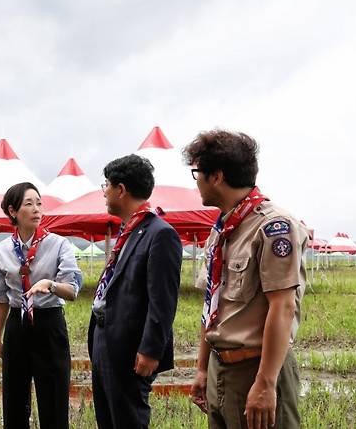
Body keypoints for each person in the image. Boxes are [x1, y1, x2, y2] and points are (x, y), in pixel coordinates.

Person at [184, 130, 308, 429]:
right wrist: (202, 368)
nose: (196, 180)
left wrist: (266, 382)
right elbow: (211, 305)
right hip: (220, 367)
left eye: (197, 172)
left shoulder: (274, 227)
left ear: (217, 176)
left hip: (257, 368)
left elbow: (283, 307)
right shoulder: (222, 229)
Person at [89, 154, 182, 429]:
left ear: (121, 189)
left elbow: (163, 300)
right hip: (105, 339)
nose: (103, 192)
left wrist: (151, 350)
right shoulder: (129, 231)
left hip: (131, 348)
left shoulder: (159, 233)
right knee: (107, 418)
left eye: (105, 185)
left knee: (128, 420)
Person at [0, 182, 83, 429]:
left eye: (39, 203)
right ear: (12, 211)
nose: (37, 209)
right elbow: (1, 298)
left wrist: (50, 284)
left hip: (49, 323)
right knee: (14, 400)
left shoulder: (59, 244)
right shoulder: (2, 251)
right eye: (29, 204)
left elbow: (72, 291)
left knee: (53, 399)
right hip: (17, 326)